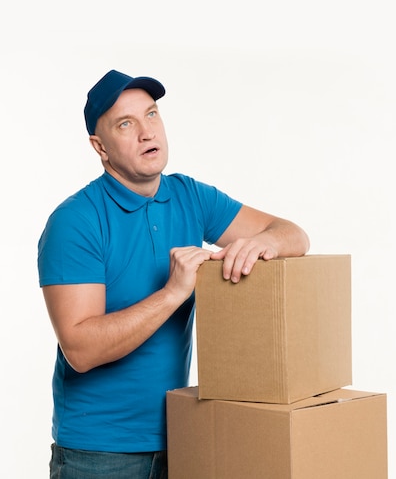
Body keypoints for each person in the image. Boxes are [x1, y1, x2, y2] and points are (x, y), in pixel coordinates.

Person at [37, 69, 310, 478]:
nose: (147, 133)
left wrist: (264, 244)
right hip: (98, 454)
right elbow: (80, 349)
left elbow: (294, 234)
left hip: (184, 438)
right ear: (100, 147)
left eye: (152, 114)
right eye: (125, 124)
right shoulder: (76, 221)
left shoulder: (189, 196)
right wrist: (172, 292)